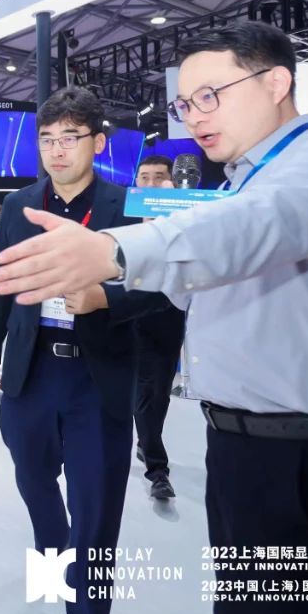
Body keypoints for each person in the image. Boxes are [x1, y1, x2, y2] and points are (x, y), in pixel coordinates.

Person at [0, 21, 308, 614]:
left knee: (99, 516)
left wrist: (111, 259)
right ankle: (57, 589)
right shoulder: (238, 182)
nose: (194, 116)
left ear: (276, 83)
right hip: (232, 443)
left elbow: (246, 231)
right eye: (185, 104)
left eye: (210, 95)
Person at [0, 86, 167, 614]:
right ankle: (56, 574)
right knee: (34, 484)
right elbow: (1, 282)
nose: (57, 150)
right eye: (47, 139)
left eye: (70, 137)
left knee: (96, 509)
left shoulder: (127, 207)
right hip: (31, 370)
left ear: (97, 142)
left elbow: (161, 288)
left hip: (96, 376)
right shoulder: (19, 205)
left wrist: (104, 297)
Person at [130, 155, 186, 501]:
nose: (151, 184)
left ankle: (147, 441)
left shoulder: (184, 221)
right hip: (127, 314)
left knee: (159, 391)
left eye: (159, 178)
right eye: (144, 177)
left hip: (168, 312)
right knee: (144, 390)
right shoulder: (123, 218)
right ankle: (157, 469)